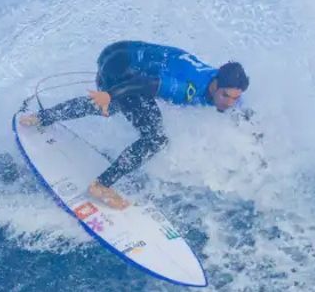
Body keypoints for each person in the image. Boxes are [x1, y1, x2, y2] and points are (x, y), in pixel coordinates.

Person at [20, 40, 249, 210]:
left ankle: (42, 118)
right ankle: (101, 185)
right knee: (154, 138)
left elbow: (240, 109)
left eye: (234, 98)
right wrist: (109, 94)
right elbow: (142, 84)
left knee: (117, 106)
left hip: (123, 55)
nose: (229, 103)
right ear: (215, 84)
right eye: (225, 96)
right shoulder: (185, 87)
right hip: (119, 66)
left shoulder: (228, 88)